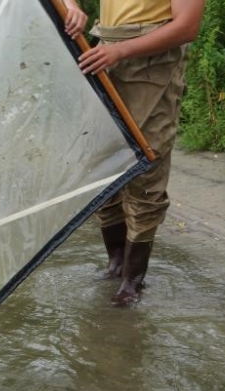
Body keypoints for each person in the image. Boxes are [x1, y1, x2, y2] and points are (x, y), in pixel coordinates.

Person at [62, 0, 206, 306]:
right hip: (104, 55)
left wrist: (121, 50)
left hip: (152, 66)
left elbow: (187, 26)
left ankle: (133, 280)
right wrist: (70, 6)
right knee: (103, 166)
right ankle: (115, 264)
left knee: (145, 167)